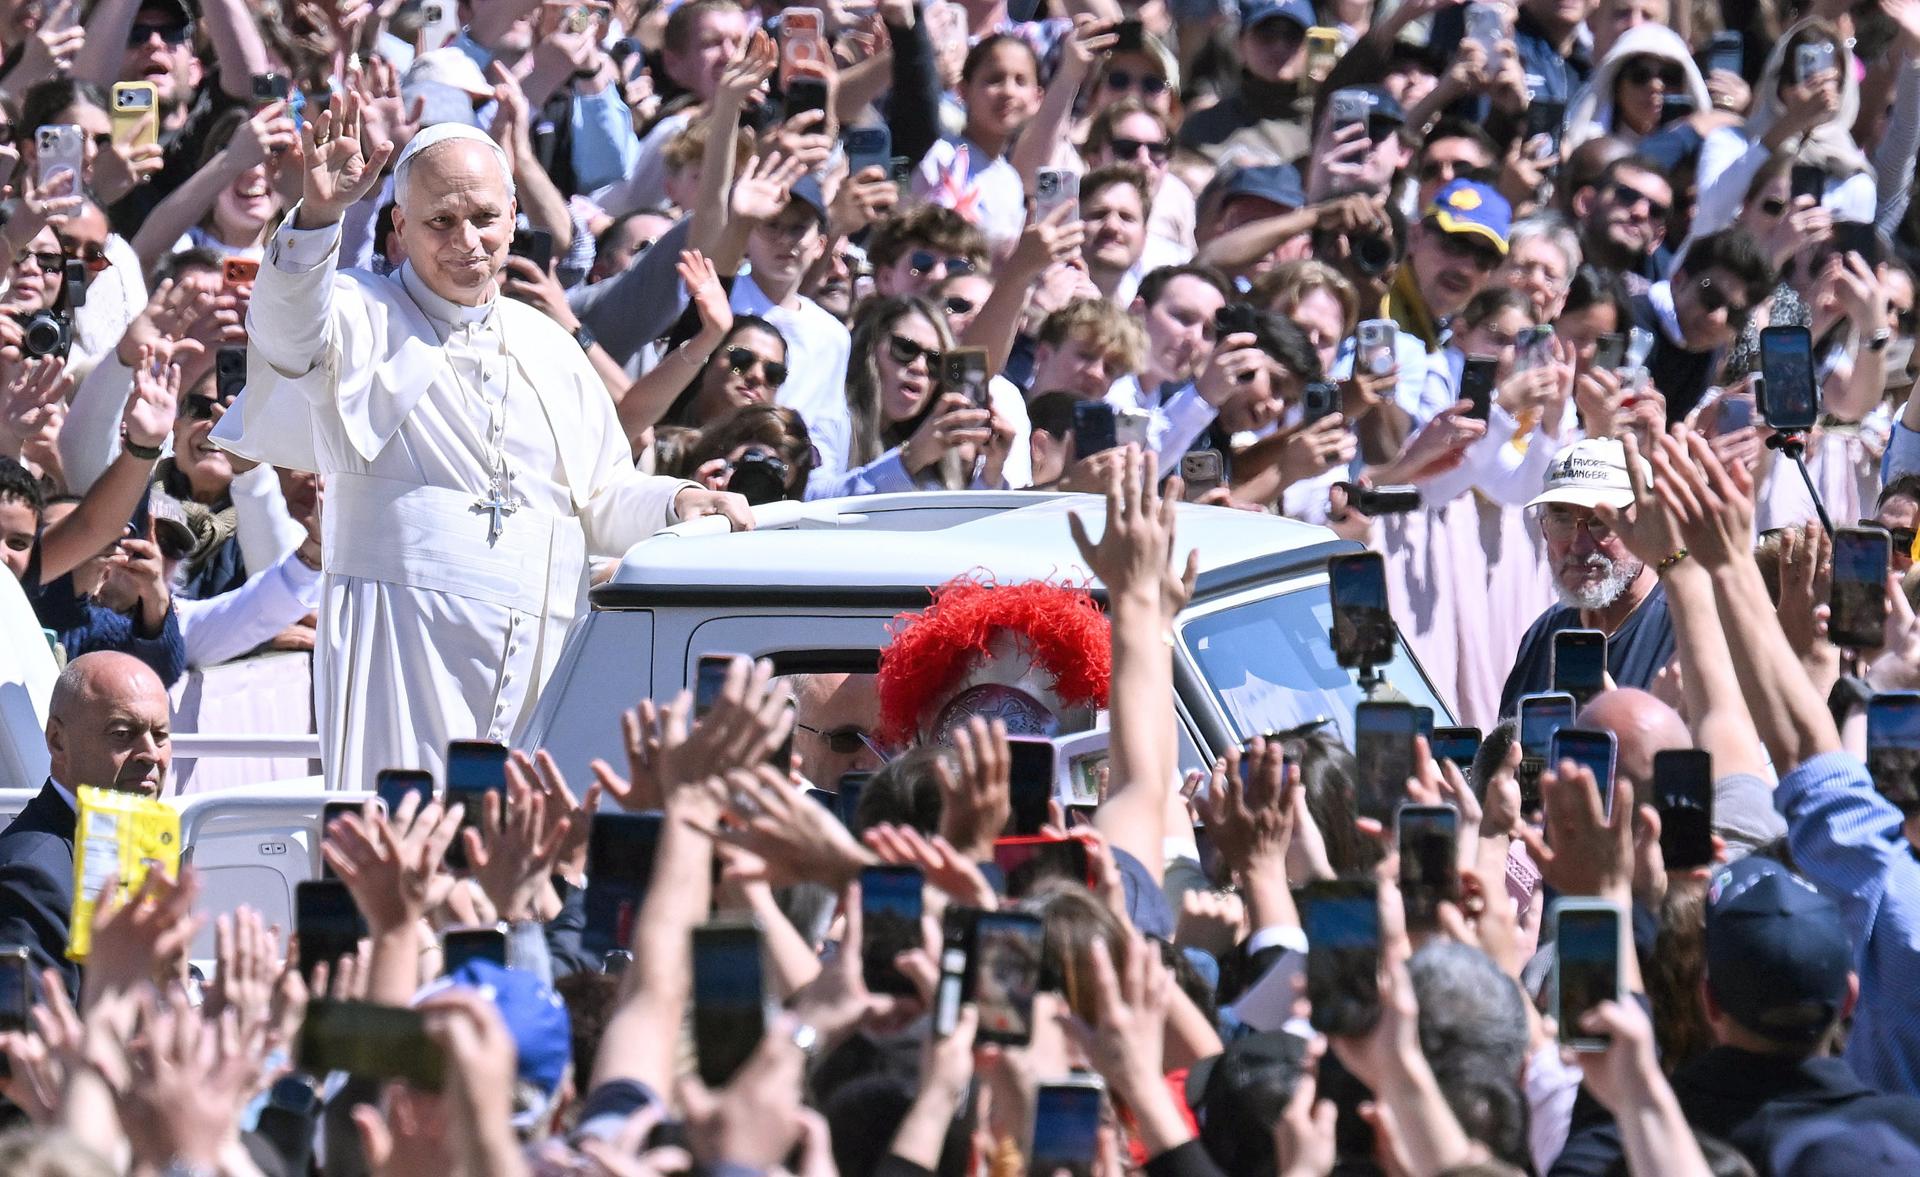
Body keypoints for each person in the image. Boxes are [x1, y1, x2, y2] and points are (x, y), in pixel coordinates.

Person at [212, 107, 747, 787]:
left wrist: (680, 500)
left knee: (526, 855)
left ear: (514, 213)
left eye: (485, 218)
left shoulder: (548, 342)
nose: (467, 240)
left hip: (546, 652)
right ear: (400, 228)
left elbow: (603, 496)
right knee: (406, 848)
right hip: (406, 646)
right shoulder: (361, 312)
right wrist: (319, 216)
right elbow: (285, 333)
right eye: (440, 221)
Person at [0, 651, 171, 995]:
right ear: (57, 741)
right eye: (123, 734)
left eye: (160, 735)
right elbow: (34, 1037)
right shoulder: (30, 877)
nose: (151, 754)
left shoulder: (138, 841)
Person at [1499, 438, 1674, 715]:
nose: (1579, 545)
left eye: (1601, 522)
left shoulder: (1681, 629)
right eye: (1561, 520)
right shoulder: (1544, 633)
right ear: (1543, 529)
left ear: (1647, 524)